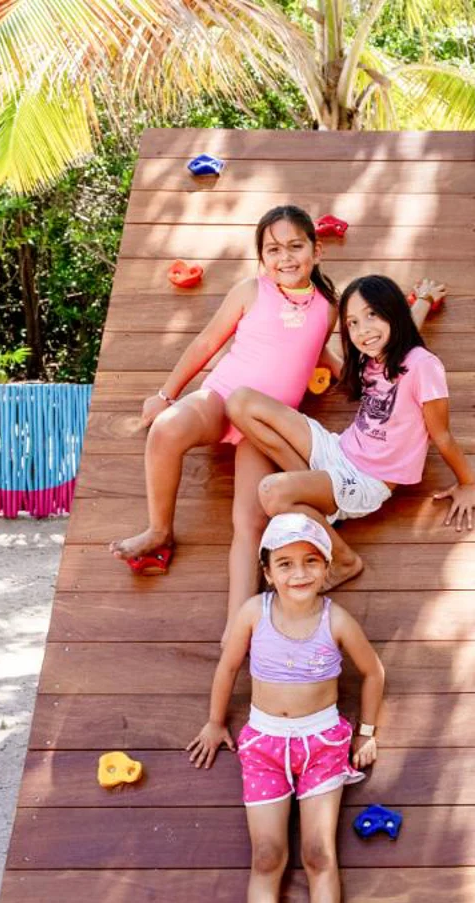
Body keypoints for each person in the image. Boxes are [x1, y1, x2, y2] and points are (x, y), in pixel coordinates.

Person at [186, 512, 385, 903]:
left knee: (319, 853)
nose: (299, 573)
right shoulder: (253, 613)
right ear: (268, 572)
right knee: (267, 855)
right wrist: (215, 721)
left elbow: (374, 672)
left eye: (311, 561)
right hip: (265, 746)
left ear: (327, 567)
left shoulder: (336, 620)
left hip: (322, 745)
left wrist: (366, 732)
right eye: (286, 563)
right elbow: (228, 667)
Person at [109, 205, 341, 622]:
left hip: (264, 426)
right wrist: (166, 394)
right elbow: (206, 343)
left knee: (249, 522)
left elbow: (314, 347)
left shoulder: (328, 307)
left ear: (316, 250)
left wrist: (342, 368)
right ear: (261, 257)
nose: (285, 257)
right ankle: (159, 530)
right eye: (273, 249)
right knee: (166, 428)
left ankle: (238, 626)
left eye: (295, 246)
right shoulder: (251, 291)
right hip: (221, 398)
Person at [225, 275, 475, 591]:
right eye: (353, 322)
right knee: (239, 401)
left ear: (392, 311)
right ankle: (311, 487)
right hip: (338, 449)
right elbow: (402, 325)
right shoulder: (372, 355)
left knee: (271, 492)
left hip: (366, 480)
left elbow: (441, 435)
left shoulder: (423, 366)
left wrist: (467, 483)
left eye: (372, 314)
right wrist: (425, 300)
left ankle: (344, 561)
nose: (363, 330)